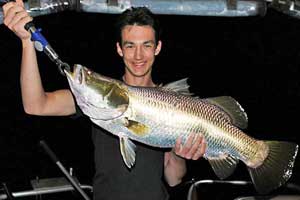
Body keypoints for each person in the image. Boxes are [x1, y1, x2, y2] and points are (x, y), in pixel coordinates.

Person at [3, 2, 206, 200]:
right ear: (119, 49)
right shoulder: (98, 97)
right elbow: (36, 105)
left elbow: (173, 177)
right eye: (130, 45)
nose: (138, 55)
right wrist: (26, 42)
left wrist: (181, 153)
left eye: (146, 45)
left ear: (157, 48)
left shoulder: (173, 106)